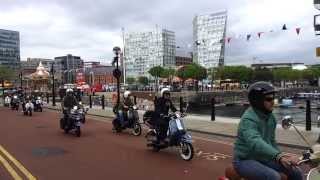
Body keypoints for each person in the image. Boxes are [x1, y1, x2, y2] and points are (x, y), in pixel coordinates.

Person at [233, 81, 302, 180]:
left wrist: (282, 157)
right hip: (245, 159)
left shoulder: (270, 117)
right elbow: (255, 142)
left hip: (263, 157)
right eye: (269, 99)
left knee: (295, 171)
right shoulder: (248, 119)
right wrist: (278, 156)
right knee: (273, 177)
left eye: (273, 98)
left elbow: (271, 140)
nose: (273, 101)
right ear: (257, 101)